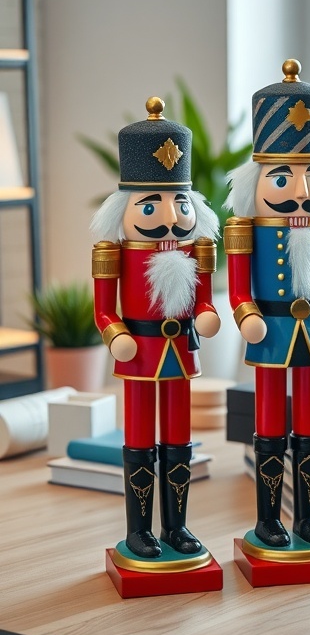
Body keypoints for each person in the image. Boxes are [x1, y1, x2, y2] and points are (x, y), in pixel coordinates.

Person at [224, 59, 310, 557]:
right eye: (284, 178)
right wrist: (246, 317)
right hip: (271, 331)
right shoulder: (246, 229)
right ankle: (267, 519)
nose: (301, 190)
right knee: (269, 426)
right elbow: (238, 288)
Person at [91, 96, 220, 563]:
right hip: (141, 351)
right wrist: (116, 335)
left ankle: (178, 526)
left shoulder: (195, 249)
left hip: (182, 350)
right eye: (152, 207)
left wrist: (207, 312)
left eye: (179, 204)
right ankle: (140, 530)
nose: (169, 218)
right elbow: (103, 310)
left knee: (179, 439)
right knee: (140, 439)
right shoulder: (114, 251)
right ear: (124, 210)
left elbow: (204, 298)